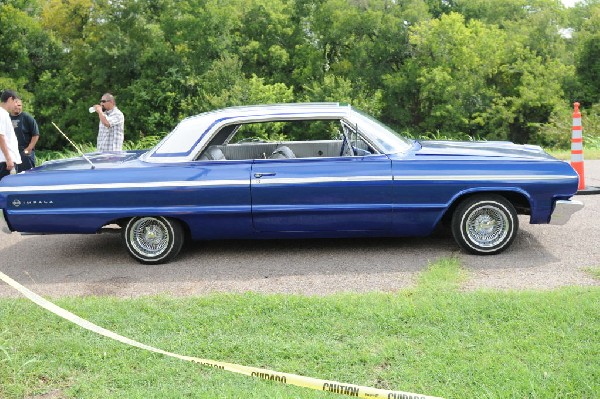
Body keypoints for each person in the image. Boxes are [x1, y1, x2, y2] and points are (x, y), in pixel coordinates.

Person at [11, 98, 39, 171]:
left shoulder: (27, 117)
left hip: (25, 152)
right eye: (15, 105)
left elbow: (35, 135)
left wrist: (29, 149)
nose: (17, 107)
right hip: (11, 153)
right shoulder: (6, 118)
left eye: (19, 105)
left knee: (28, 175)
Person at [0, 90, 22, 180]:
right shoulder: (1, 114)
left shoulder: (4, 114)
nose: (16, 105)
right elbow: (1, 137)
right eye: (15, 102)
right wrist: (8, 159)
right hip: (6, 161)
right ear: (10, 99)